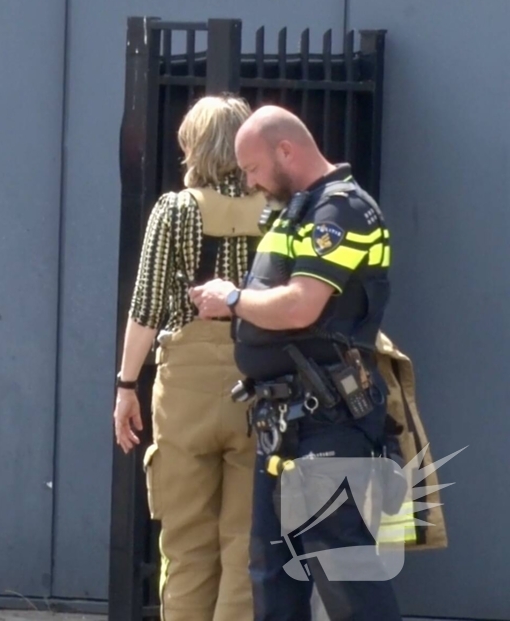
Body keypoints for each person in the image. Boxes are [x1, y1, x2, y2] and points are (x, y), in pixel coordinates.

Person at [188, 105, 402, 620]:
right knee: (271, 576)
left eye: (253, 167)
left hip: (328, 420)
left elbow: (302, 304)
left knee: (345, 577)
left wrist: (234, 300)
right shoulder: (298, 209)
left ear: (286, 150)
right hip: (283, 425)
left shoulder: (342, 210)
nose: (249, 181)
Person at [114, 95, 266, 621]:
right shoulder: (277, 210)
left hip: (186, 387)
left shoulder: (175, 210)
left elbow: (147, 308)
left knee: (185, 546)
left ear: (193, 146)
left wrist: (125, 385)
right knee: (246, 545)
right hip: (261, 378)